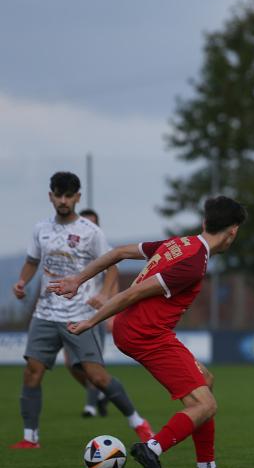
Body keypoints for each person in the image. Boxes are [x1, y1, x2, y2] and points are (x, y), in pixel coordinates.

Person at [49, 196, 246, 468]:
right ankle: (152, 448)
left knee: (205, 380)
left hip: (144, 330)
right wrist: (92, 321)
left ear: (205, 222)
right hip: (146, 335)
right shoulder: (193, 263)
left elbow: (118, 253)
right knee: (206, 405)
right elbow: (133, 293)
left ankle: (206, 466)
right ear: (233, 231)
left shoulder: (180, 244)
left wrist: (78, 279)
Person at [10, 172, 153, 449]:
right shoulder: (41, 229)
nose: (63, 201)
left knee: (97, 377)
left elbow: (112, 266)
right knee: (32, 371)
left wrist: (104, 294)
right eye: (58, 195)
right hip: (45, 313)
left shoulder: (91, 232)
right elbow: (32, 261)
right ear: (50, 196)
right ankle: (30, 437)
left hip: (80, 315)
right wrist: (22, 282)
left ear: (77, 197)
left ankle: (138, 422)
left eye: (68, 196)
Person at [64, 209, 114, 418]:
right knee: (71, 364)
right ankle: (101, 394)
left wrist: (109, 305)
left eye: (92, 223)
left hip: (93, 315)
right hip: (68, 313)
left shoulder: (105, 251)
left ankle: (90, 407)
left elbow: (113, 276)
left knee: (91, 363)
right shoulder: (68, 249)